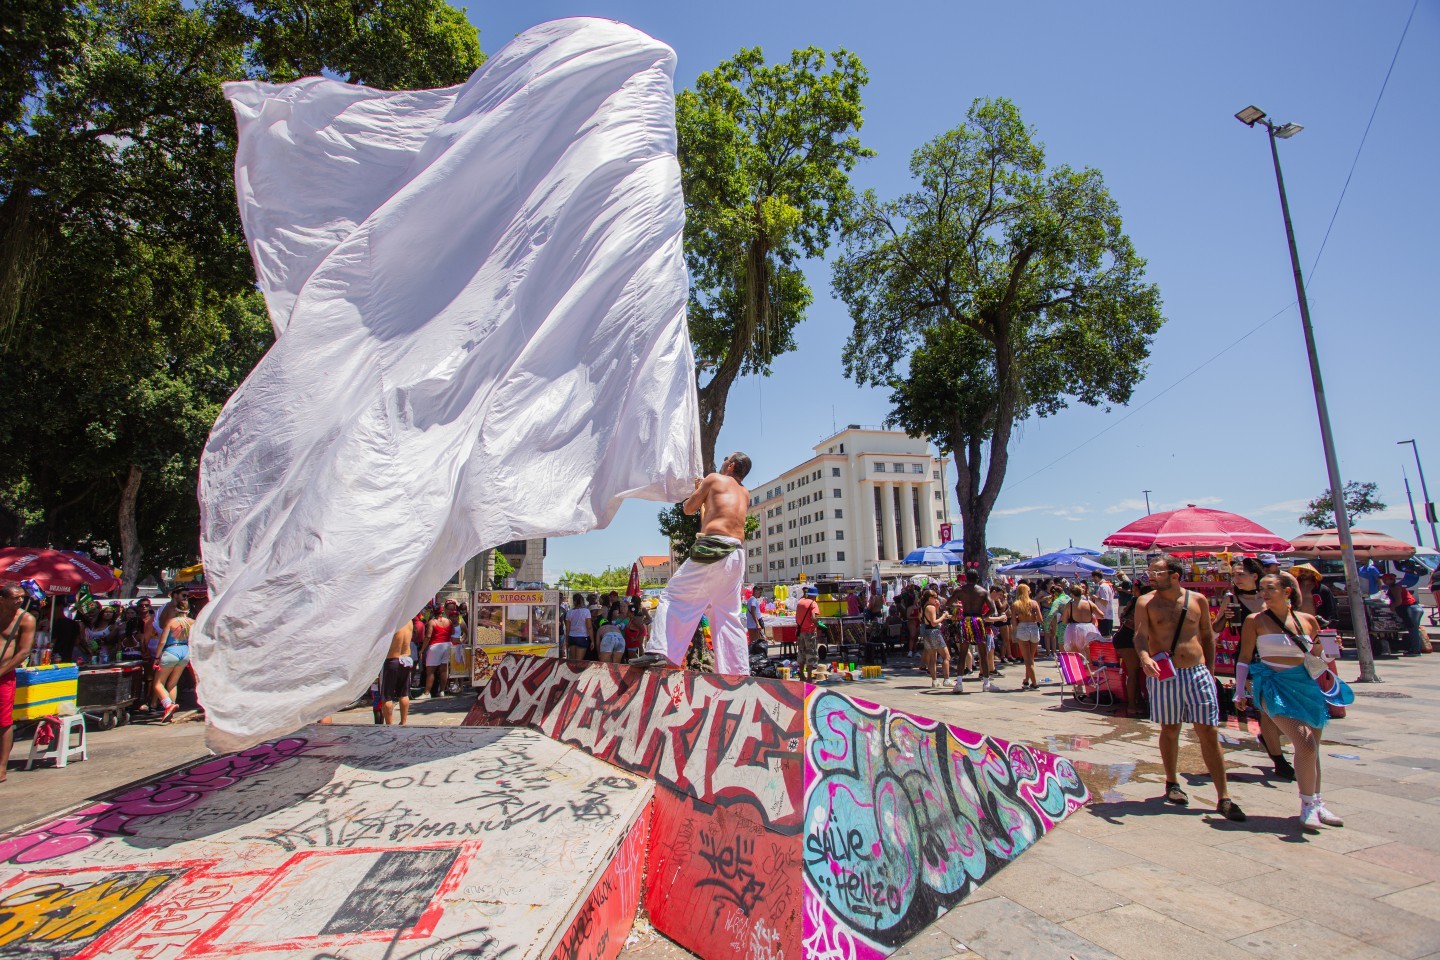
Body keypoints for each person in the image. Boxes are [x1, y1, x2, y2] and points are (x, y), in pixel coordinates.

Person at [1136, 555, 1246, 821]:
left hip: (1197, 671)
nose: (1151, 575)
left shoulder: (1197, 600)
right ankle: (1172, 782)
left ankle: (1224, 797)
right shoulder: (1145, 602)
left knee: (1208, 730)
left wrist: (1210, 671)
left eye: (1157, 571)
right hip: (1165, 672)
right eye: (1150, 571)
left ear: (1175, 575)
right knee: (1170, 728)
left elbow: (1208, 636)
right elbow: (1139, 635)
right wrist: (1144, 657)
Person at [1234, 574, 1344, 831]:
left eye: (1270, 588)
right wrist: (1239, 690)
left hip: (1305, 685)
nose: (1264, 593)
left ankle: (1316, 802)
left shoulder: (1307, 620)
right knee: (1304, 743)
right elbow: (1244, 656)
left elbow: (1318, 659)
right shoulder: (1255, 621)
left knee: (1312, 748)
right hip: (1273, 686)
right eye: (1262, 589)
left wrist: (1331, 649)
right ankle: (1307, 805)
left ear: (1287, 591)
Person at [631, 452, 753, 674]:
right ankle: (736, 670)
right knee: (726, 613)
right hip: (735, 554)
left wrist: (698, 490)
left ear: (731, 465)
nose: (724, 460)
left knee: (671, 596)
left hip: (714, 549)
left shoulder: (714, 478)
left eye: (727, 458)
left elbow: (688, 509)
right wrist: (704, 495)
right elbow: (708, 519)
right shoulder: (745, 493)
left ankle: (661, 651)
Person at [0, 584, 37, 782]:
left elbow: (23, 651)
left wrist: (1, 671)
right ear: (2, 599)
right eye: (15, 597)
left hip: (4, 675)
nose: (19, 601)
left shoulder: (26, 619)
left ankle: (2, 766)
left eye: (21, 597)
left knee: (4, 723)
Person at [152, 596, 194, 723]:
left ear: (176, 609)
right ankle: (170, 710)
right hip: (185, 652)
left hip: (171, 650)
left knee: (158, 684)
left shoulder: (171, 622)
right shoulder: (193, 622)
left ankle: (167, 705)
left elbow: (162, 641)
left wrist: (157, 657)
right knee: (173, 683)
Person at [1111, 580, 1148, 715]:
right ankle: (1132, 705)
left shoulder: (1134, 601)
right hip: (1128, 638)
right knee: (1133, 674)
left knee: (1134, 673)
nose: (1133, 590)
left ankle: (1138, 702)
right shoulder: (1142, 602)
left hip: (1124, 636)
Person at [956, 570, 994, 688]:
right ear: (977, 578)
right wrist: (984, 617)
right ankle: (986, 683)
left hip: (965, 620)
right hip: (978, 620)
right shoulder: (983, 591)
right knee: (983, 653)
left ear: (966, 578)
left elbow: (948, 603)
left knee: (963, 653)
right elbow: (992, 608)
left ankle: (959, 683)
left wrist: (958, 605)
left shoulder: (960, 590)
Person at [381, 620, 414, 724]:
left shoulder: (392, 621)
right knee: (404, 693)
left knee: (387, 696)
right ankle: (403, 722)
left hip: (392, 658)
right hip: (406, 658)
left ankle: (389, 724)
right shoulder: (409, 621)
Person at [1384, 574, 1425, 656]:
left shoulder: (1395, 588)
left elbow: (1398, 601)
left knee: (1413, 630)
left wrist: (1393, 606)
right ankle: (1415, 649)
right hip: (1413, 608)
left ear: (1392, 580)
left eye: (1386, 579)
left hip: (1411, 609)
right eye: (1383, 579)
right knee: (1413, 630)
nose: (1384, 581)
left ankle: (1416, 650)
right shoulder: (1395, 587)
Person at [1011, 583, 1043, 690]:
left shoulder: (1016, 605)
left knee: (1027, 659)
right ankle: (1026, 679)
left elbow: (1014, 623)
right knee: (1031, 658)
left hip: (1022, 628)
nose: (1030, 592)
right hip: (1034, 628)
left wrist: (1014, 633)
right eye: (1028, 590)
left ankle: (1034, 683)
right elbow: (1040, 620)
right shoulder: (1034, 603)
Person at [421, 605, 455, 698]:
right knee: (444, 670)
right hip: (447, 645)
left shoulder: (432, 622)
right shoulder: (449, 621)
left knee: (430, 671)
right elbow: (452, 632)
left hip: (435, 646)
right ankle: (442, 691)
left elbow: (428, 636)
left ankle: (427, 692)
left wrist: (422, 649)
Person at [919, 589, 950, 688]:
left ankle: (934, 680)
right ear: (930, 598)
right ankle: (947, 679)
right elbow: (934, 622)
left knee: (932, 658)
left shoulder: (924, 607)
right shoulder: (930, 607)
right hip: (934, 632)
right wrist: (944, 616)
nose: (937, 599)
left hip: (927, 632)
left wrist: (937, 608)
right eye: (935, 597)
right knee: (946, 656)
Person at [1061, 584, 1102, 654]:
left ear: (1072, 594)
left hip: (1074, 628)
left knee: (1076, 652)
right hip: (1089, 628)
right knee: (1089, 651)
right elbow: (1101, 615)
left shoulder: (1069, 605)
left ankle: (1079, 664)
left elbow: (1064, 621)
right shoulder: (1089, 603)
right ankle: (1088, 664)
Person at [794, 587, 819, 681]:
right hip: (810, 632)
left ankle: (801, 675)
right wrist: (817, 624)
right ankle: (809, 677)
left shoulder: (800, 602)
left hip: (800, 632)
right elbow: (813, 617)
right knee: (811, 654)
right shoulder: (813, 603)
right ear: (815, 596)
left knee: (801, 653)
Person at [565, 591, 593, 661]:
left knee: (573, 660)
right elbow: (589, 627)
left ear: (574, 601)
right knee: (579, 661)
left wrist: (567, 640)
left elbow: (567, 628)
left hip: (572, 637)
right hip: (582, 637)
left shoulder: (569, 612)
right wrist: (592, 640)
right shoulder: (586, 611)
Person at [1091, 571, 1117, 637]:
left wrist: (1094, 597)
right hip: (1103, 616)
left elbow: (1105, 601)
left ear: (1096, 577)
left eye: (1093, 577)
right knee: (1104, 636)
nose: (1092, 579)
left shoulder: (1103, 587)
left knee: (1106, 637)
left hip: (1105, 616)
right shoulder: (1103, 586)